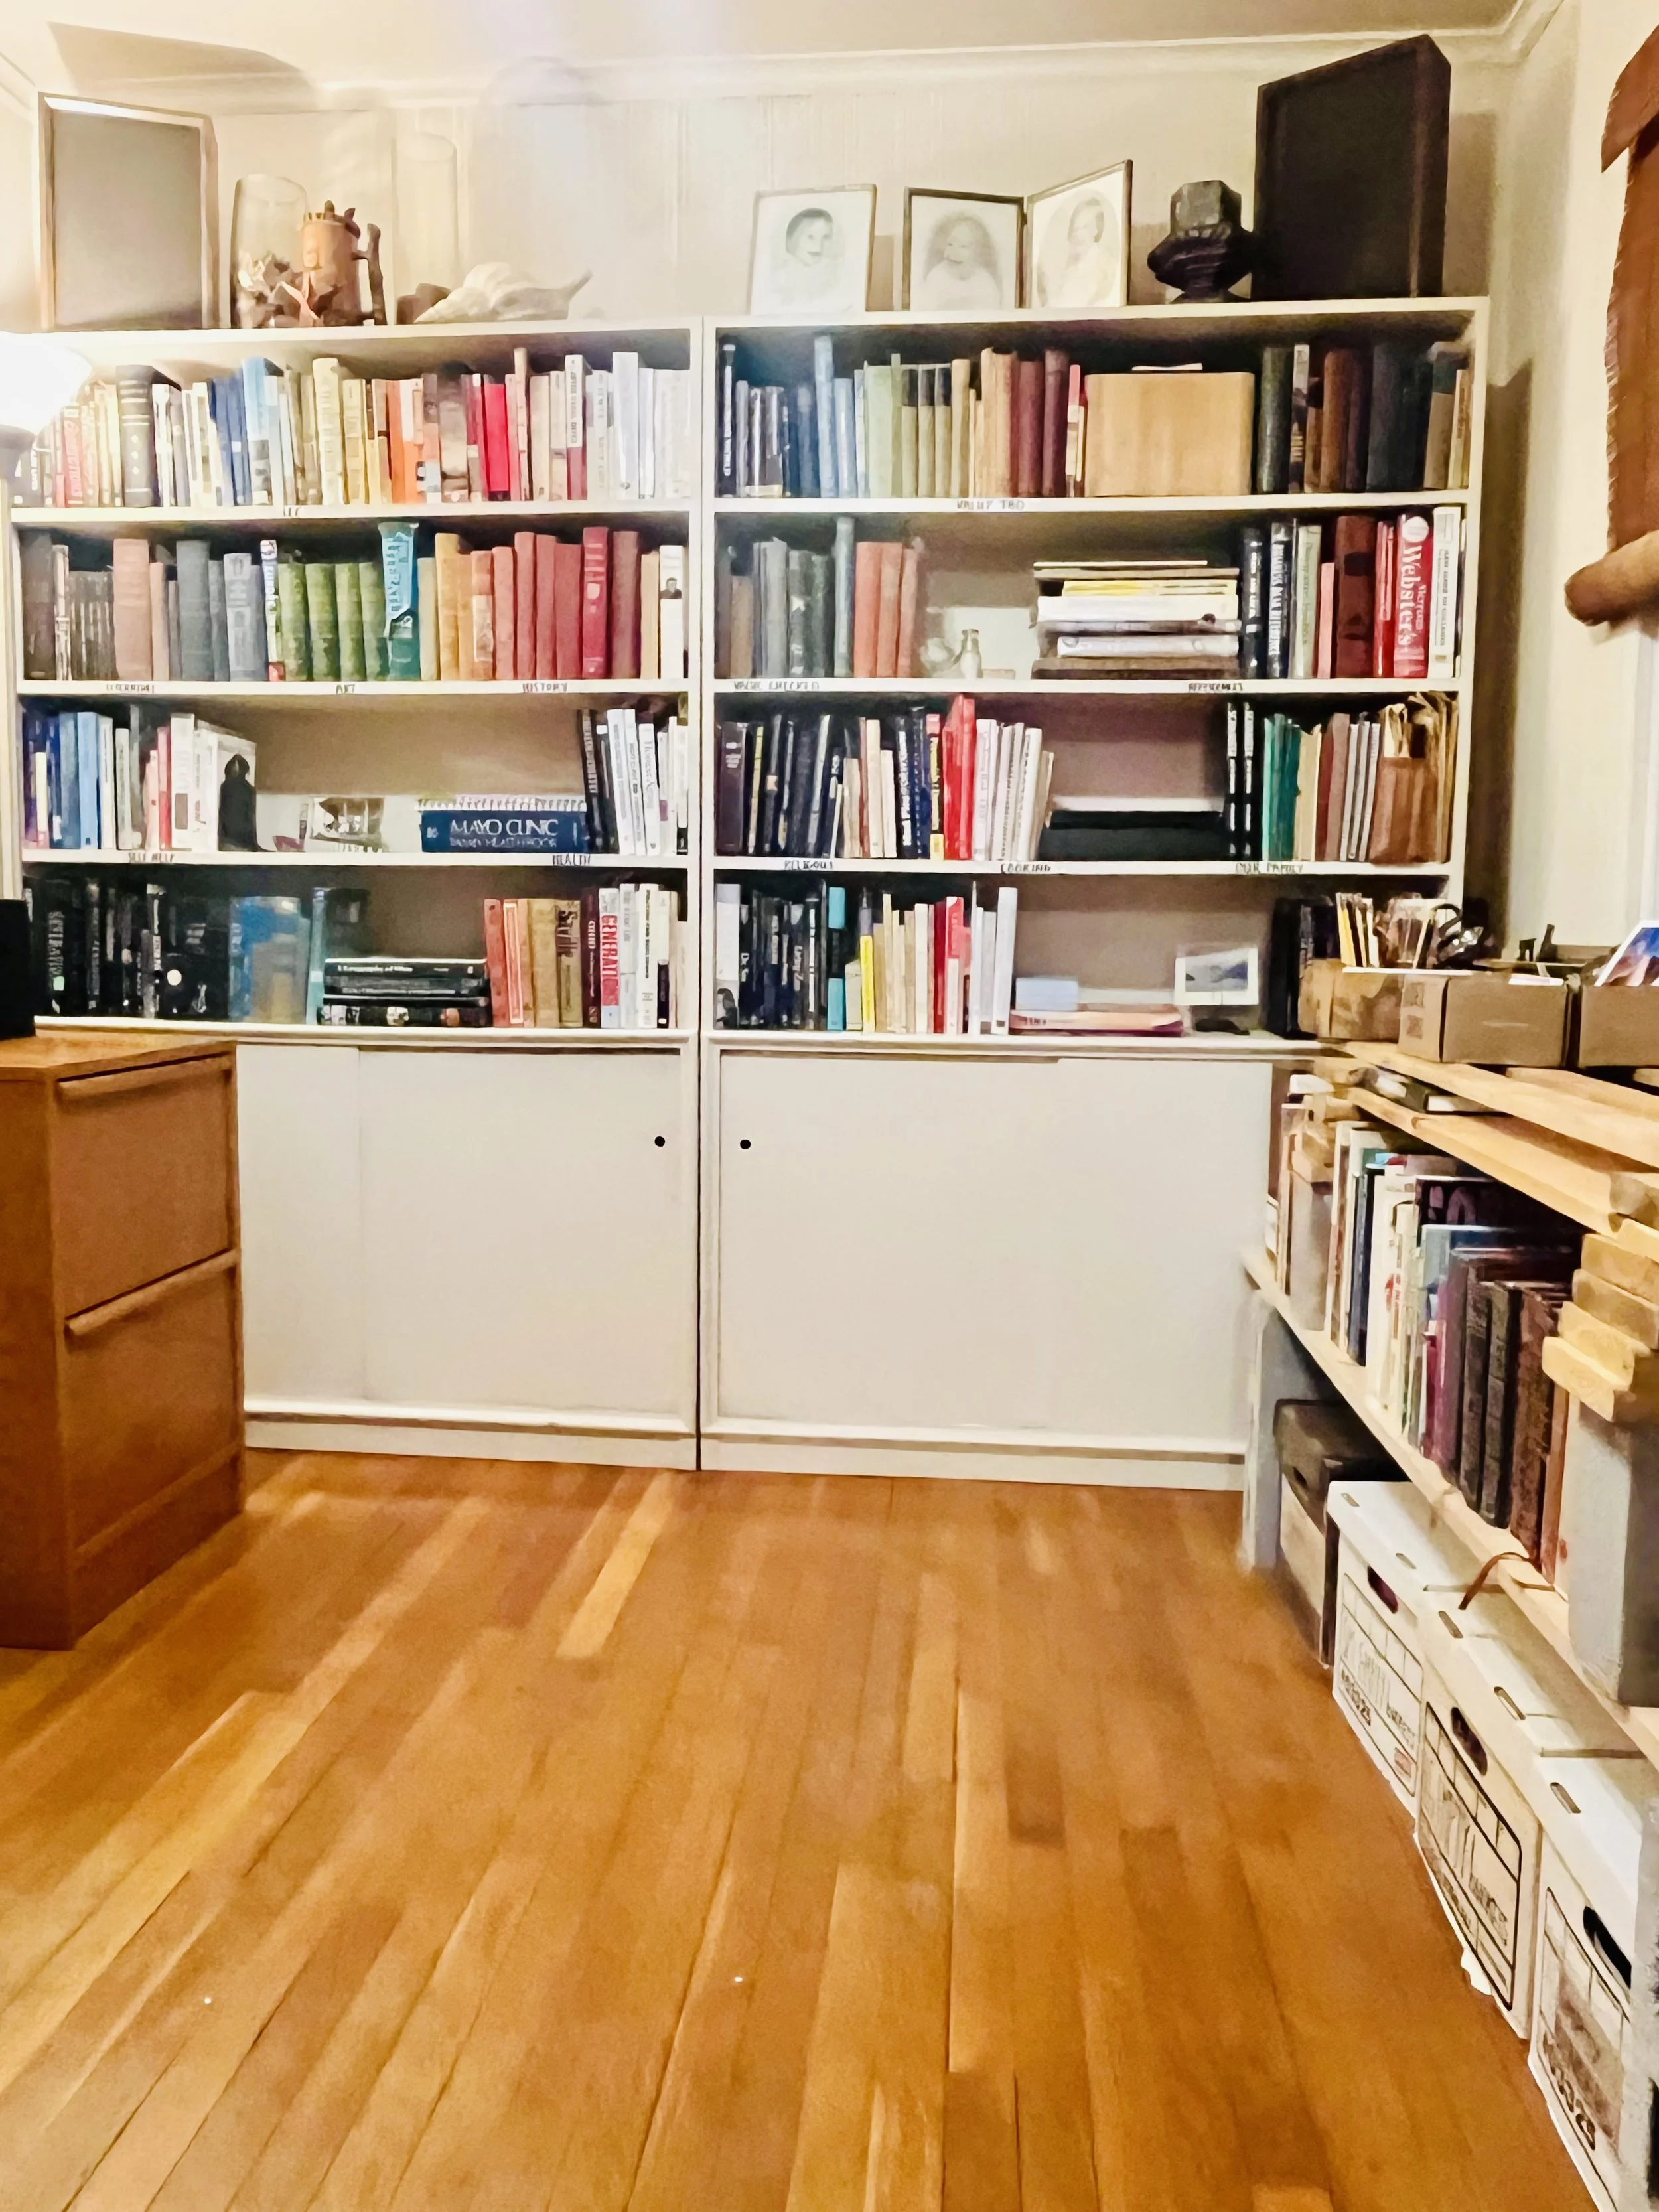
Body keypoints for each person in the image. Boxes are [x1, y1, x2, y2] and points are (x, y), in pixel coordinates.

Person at [1037, 192, 1120, 310]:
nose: (1079, 235)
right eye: (1076, 228)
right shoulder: (1070, 266)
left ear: (1097, 229)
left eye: (1085, 227)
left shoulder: (1105, 266)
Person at [915, 213, 1003, 311]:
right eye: (950, 244)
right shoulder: (937, 277)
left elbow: (993, 309)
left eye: (964, 246)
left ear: (978, 251)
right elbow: (926, 309)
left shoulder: (984, 280)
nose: (955, 252)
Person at [769, 206, 842, 308]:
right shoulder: (779, 280)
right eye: (810, 237)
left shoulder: (836, 279)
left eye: (825, 238)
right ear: (793, 240)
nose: (819, 246)